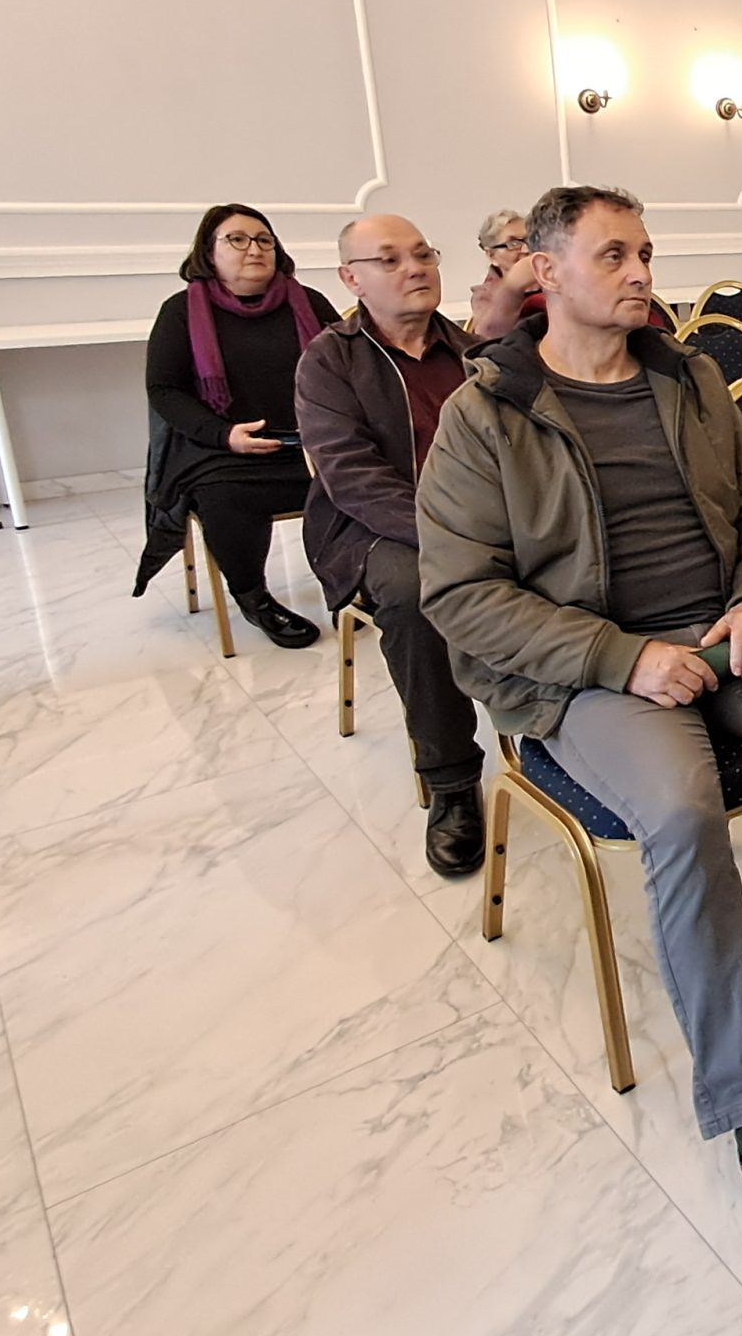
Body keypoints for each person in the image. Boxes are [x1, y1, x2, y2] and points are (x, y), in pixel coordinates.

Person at [415, 183, 742, 1294]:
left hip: (725, 639)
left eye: (645, 253)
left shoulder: (690, 377)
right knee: (681, 812)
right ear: (545, 271)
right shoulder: (485, 416)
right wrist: (621, 658)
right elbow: (460, 595)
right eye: (613, 255)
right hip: (591, 670)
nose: (640, 273)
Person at [296, 214, 487, 877]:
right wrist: (449, 539)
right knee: (414, 591)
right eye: (390, 260)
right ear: (351, 279)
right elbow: (352, 478)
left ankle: (578, 740)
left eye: (423, 254)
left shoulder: (472, 353)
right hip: (372, 529)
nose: (415, 269)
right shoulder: (330, 360)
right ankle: (452, 780)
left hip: (479, 522)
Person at [141, 202, 340, 647]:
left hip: (308, 444)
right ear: (208, 252)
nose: (255, 249)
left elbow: (349, 370)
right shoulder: (180, 311)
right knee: (224, 497)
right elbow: (164, 390)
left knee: (354, 477)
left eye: (264, 239)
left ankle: (349, 583)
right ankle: (254, 597)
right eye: (237, 239)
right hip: (222, 449)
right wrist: (224, 435)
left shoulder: (309, 302)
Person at [467, 206, 544, 341]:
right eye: (513, 244)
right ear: (491, 255)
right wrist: (512, 287)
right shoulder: (484, 296)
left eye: (529, 240)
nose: (526, 250)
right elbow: (489, 336)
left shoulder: (552, 279)